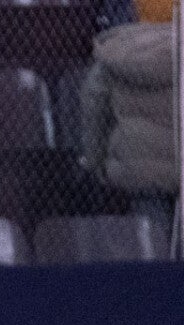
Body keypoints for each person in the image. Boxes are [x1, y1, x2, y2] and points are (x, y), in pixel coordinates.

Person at [79, 17, 181, 226]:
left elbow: (94, 104)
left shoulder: (119, 53)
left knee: (150, 235)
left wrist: (96, 162)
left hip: (139, 172)